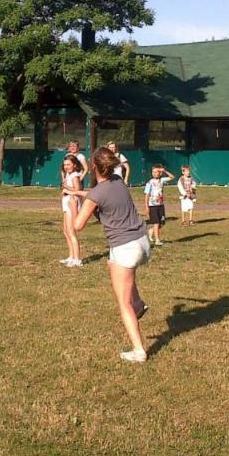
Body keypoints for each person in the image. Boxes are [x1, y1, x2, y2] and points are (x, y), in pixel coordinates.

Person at [72, 147, 151, 363]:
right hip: (143, 242)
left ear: (94, 167)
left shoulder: (97, 193)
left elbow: (78, 225)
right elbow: (102, 194)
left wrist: (79, 202)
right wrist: (82, 194)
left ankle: (138, 351)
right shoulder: (118, 180)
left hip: (125, 247)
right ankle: (139, 304)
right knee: (111, 264)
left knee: (122, 303)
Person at [58, 154, 84, 267]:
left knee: (71, 231)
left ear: (74, 165)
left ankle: (77, 259)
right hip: (66, 202)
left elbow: (78, 190)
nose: (66, 167)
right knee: (65, 230)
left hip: (72, 203)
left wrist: (66, 188)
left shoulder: (74, 175)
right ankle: (71, 256)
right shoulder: (68, 175)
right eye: (64, 165)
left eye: (68, 164)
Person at [143, 164, 175, 245]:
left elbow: (172, 177)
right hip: (152, 205)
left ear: (160, 173)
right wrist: (146, 206)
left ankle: (151, 231)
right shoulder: (149, 183)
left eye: (156, 172)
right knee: (156, 222)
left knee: (162, 222)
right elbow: (146, 195)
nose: (154, 173)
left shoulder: (162, 180)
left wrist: (164, 171)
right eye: (153, 172)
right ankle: (157, 240)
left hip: (160, 204)